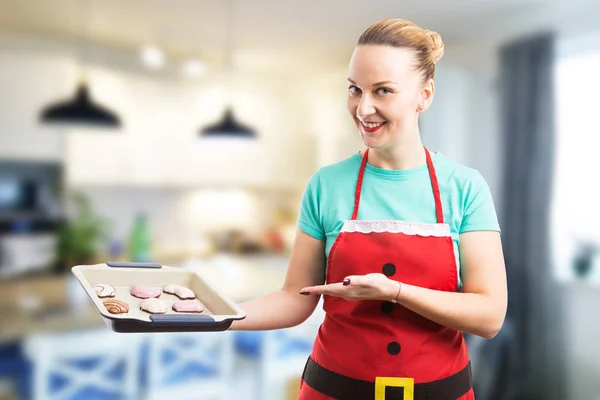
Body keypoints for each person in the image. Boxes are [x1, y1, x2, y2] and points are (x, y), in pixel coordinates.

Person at [229, 18, 507, 400]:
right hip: (332, 390)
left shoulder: (465, 188)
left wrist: (395, 291)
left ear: (424, 95)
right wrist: (216, 316)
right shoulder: (326, 185)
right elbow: (295, 298)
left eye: (383, 91)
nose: (364, 107)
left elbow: (489, 316)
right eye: (355, 89)